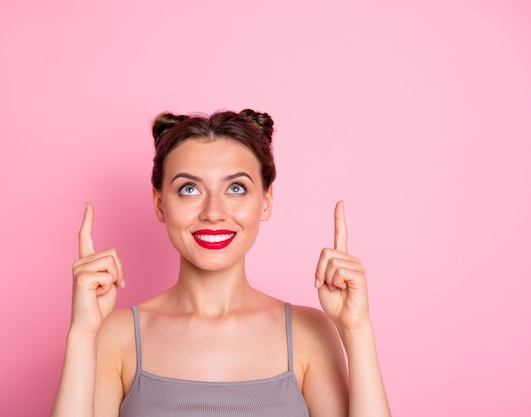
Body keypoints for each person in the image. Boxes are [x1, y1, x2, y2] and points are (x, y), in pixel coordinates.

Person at [50, 109, 391, 417]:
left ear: (266, 201)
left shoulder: (309, 333)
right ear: (159, 203)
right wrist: (82, 333)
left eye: (236, 188)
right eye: (189, 189)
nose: (213, 213)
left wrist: (357, 330)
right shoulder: (117, 335)